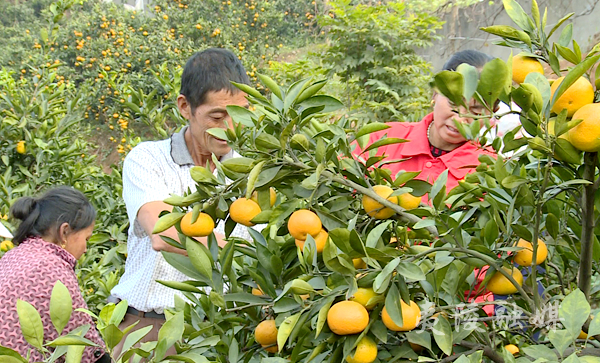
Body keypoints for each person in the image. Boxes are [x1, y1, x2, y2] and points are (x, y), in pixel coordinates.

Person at [110, 48, 253, 352]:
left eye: (239, 115)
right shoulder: (148, 159)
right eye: (216, 116)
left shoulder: (251, 172)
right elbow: (164, 233)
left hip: (220, 331)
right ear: (185, 107)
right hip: (147, 328)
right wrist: (242, 251)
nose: (229, 128)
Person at [354, 49, 498, 193]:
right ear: (435, 93)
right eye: (453, 103)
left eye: (476, 111)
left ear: (493, 112)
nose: (460, 119)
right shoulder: (380, 140)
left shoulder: (491, 170)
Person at [0, 186, 108, 363]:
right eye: (86, 239)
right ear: (64, 232)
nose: (86, 249)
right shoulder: (52, 268)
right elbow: (82, 343)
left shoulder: (14, 255)